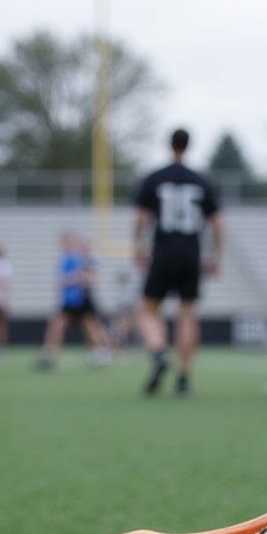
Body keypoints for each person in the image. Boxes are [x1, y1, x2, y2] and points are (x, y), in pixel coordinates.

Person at [133, 128, 222, 396]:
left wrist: (138, 246)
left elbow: (140, 217)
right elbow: (217, 222)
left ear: (168, 144)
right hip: (191, 253)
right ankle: (183, 376)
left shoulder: (155, 178)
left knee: (147, 309)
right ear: (189, 145)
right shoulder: (200, 181)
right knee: (187, 313)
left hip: (163, 251)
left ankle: (159, 351)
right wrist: (215, 255)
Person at [36, 233, 111, 370]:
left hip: (80, 299)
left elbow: (90, 276)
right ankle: (50, 355)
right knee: (61, 325)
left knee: (90, 327)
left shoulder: (80, 258)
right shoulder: (67, 258)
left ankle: (101, 352)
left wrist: (73, 279)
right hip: (70, 300)